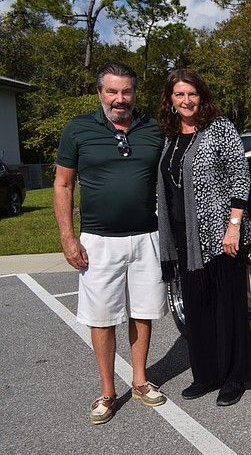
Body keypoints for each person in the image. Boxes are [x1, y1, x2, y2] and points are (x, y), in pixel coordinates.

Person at [54, 61, 167, 425]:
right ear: (100, 92)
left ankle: (139, 380)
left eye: (126, 91)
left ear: (135, 92)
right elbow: (63, 184)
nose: (120, 99)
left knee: (143, 311)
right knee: (102, 319)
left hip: (146, 237)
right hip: (99, 241)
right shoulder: (78, 129)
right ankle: (107, 391)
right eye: (112, 91)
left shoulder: (153, 128)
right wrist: (68, 237)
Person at [156, 69, 251, 406]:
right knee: (198, 309)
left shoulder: (220, 129)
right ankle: (207, 375)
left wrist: (234, 225)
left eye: (192, 94)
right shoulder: (169, 136)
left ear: (202, 96)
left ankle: (233, 378)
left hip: (220, 235)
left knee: (228, 308)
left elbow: (241, 176)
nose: (186, 101)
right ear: (170, 100)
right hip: (185, 238)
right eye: (179, 95)